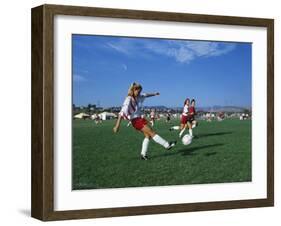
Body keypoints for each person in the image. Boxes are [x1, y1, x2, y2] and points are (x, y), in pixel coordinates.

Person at [113, 82, 176, 160]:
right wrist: (117, 126)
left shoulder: (139, 96)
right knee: (152, 132)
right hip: (136, 121)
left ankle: (143, 154)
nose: (139, 93)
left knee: (148, 136)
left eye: (140, 91)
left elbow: (146, 95)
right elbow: (121, 113)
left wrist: (154, 94)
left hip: (139, 119)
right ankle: (167, 145)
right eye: (138, 92)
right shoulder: (128, 99)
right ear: (133, 90)